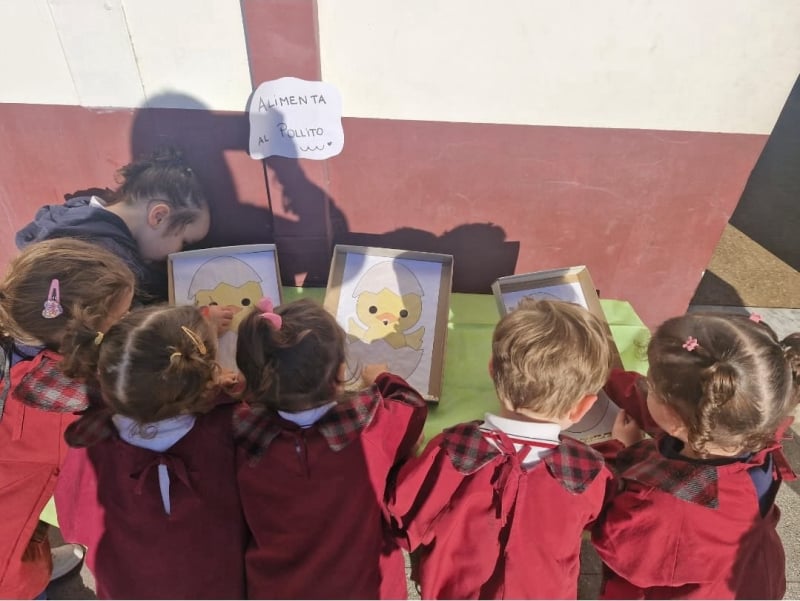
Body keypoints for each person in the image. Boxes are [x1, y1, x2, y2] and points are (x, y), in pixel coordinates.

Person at [388, 298, 616, 599]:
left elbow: (402, 519)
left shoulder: (451, 451)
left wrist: (402, 453)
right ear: (584, 407)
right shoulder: (589, 473)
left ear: (492, 370)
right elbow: (598, 521)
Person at [593, 312, 800, 599]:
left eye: (652, 386)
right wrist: (605, 374)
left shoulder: (670, 505)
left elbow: (616, 541)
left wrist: (625, 451)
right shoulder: (750, 427)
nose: (646, 387)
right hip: (750, 576)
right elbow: (665, 411)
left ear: (676, 419)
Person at [233, 297, 427, 599]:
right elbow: (413, 408)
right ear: (339, 375)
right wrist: (382, 378)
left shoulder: (240, 434)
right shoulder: (370, 425)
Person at [53, 304, 247, 599]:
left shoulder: (90, 440)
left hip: (128, 587)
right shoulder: (231, 426)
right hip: (217, 584)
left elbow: (74, 521)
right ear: (205, 378)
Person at [0, 239, 135, 599]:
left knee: (29, 530)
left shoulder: (16, 337)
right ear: (82, 336)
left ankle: (36, 559)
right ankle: (36, 579)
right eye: (119, 320)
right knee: (23, 583)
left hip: (12, 502)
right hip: (3, 565)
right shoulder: (56, 404)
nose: (127, 324)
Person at [16, 145, 211, 306]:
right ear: (159, 217)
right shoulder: (107, 265)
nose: (179, 251)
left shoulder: (76, 218)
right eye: (184, 242)